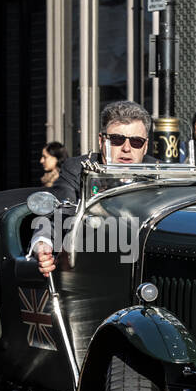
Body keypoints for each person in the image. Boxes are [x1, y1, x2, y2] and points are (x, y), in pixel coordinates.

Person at [36, 100, 157, 275]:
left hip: (144, 268)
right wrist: (42, 245)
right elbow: (57, 214)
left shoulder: (160, 172)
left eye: (136, 142)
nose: (126, 148)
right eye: (117, 139)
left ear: (145, 147)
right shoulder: (78, 169)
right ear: (101, 141)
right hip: (90, 268)